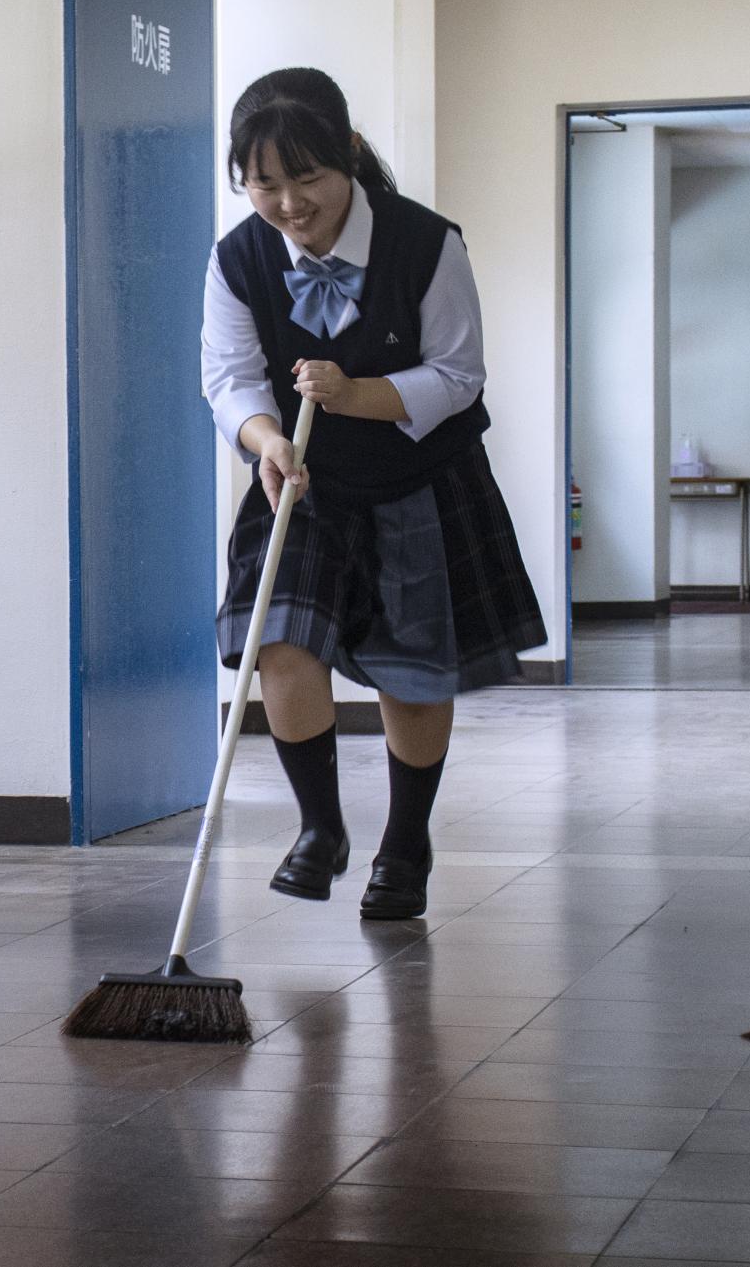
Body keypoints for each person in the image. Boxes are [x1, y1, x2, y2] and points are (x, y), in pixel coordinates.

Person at [202, 67, 545, 920]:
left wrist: (354, 392)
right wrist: (266, 438)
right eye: (265, 184)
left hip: (419, 480)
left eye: (307, 178)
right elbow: (229, 378)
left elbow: (459, 375)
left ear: (349, 154)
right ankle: (321, 829)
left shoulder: (426, 242)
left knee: (412, 671)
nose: (288, 203)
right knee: (275, 643)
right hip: (304, 482)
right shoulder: (238, 257)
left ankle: (405, 843)